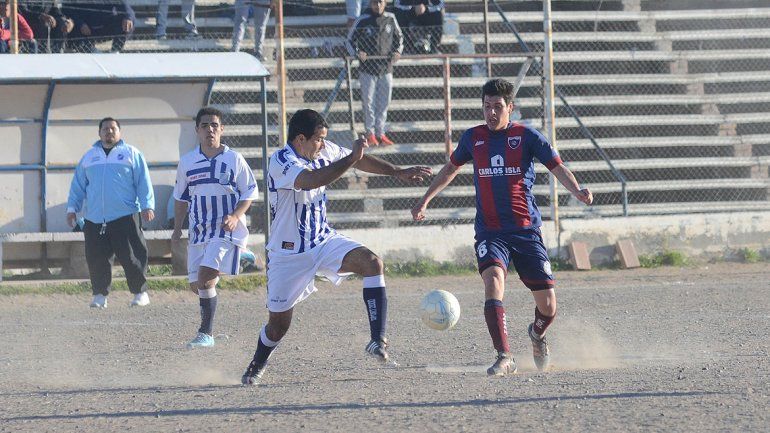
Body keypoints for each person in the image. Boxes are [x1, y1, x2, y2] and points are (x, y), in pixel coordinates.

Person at [411, 78, 593, 376]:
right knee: (494, 279)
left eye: (497, 107)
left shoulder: (527, 136)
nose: (491, 113)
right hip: (490, 231)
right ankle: (504, 355)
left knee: (548, 306)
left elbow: (556, 166)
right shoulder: (473, 138)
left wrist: (577, 190)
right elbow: (450, 169)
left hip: (525, 230)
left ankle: (536, 334)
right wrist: (425, 200)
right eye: (486, 107)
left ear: (511, 107)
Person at [240, 109, 432, 385]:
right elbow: (311, 180)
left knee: (372, 263)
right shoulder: (280, 161)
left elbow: (359, 161)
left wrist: (396, 172)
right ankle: (257, 363)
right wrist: (351, 158)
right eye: (318, 139)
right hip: (288, 255)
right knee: (279, 325)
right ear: (300, 139)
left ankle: (377, 340)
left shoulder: (322, 150)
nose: (322, 145)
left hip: (322, 240)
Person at [172, 107, 259, 349]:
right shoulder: (187, 162)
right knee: (196, 286)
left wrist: (235, 215)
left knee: (206, 279)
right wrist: (178, 228)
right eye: (205, 126)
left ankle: (205, 334)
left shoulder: (234, 159)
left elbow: (250, 192)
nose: (210, 129)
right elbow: (181, 198)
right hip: (199, 230)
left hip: (225, 228)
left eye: (214, 125)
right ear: (197, 130)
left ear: (222, 129)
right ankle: (240, 255)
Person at [66, 117, 155, 309]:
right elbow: (78, 186)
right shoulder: (89, 156)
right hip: (95, 218)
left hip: (125, 215)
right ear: (99, 133)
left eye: (113, 128)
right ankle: (100, 295)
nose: (109, 131)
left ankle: (140, 293)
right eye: (105, 129)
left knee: (132, 256)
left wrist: (148, 205)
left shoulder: (131, 153)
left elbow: (143, 181)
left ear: (119, 132)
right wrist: (72, 208)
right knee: (97, 258)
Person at [346, 0, 403, 146]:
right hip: (367, 69)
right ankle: (369, 133)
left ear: (384, 3)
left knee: (384, 103)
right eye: (374, 2)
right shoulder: (363, 19)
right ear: (370, 4)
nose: (377, 5)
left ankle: (380, 132)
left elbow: (400, 38)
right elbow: (349, 41)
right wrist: (358, 53)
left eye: (380, 2)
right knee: (368, 102)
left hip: (386, 68)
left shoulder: (391, 18)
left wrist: (397, 52)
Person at [62, 0, 134, 53]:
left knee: (128, 20)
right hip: (84, 29)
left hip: (105, 26)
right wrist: (80, 23)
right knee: (69, 26)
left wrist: (128, 17)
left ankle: (115, 51)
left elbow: (125, 7)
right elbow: (67, 9)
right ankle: (91, 51)